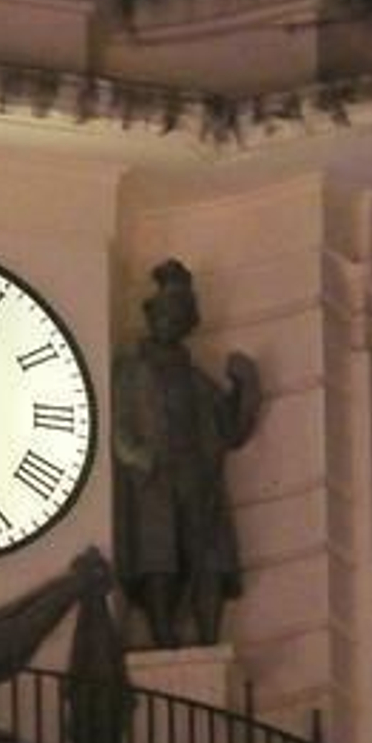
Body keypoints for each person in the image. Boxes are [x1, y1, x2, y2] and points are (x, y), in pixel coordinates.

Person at [112, 259, 260, 647]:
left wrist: (247, 388)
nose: (171, 321)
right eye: (165, 312)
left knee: (208, 557)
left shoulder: (194, 378)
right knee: (158, 559)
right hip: (156, 479)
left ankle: (209, 637)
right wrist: (144, 459)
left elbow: (229, 428)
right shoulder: (131, 370)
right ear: (152, 317)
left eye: (180, 314)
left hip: (196, 478)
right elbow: (121, 427)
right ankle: (163, 636)